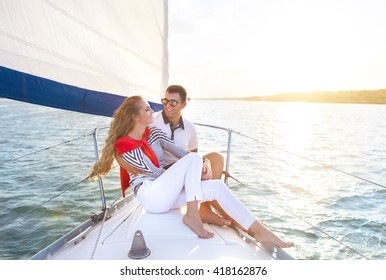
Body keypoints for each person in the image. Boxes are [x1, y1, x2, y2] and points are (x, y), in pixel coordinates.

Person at [90, 95, 293, 247]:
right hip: (151, 195)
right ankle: (193, 215)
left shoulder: (153, 132)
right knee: (193, 159)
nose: (153, 112)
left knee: (217, 186)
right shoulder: (124, 146)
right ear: (135, 116)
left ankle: (258, 231)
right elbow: (154, 173)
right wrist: (191, 169)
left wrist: (202, 162)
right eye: (147, 110)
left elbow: (180, 152)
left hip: (166, 192)